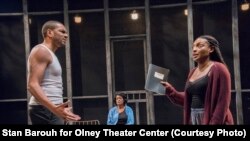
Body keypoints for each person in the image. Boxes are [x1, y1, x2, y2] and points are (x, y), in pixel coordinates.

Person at [161, 35, 234, 125]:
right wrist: (170, 90)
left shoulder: (219, 69)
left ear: (211, 49)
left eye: (200, 46)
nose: (194, 49)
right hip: (194, 118)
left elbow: (223, 102)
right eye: (193, 47)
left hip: (213, 119)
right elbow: (188, 100)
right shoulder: (193, 71)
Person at [27, 20, 81, 124]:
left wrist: (57, 108)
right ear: (50, 33)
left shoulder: (50, 54)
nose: (66, 35)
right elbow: (32, 85)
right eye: (62, 32)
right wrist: (54, 108)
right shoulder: (41, 51)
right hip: (44, 109)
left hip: (51, 109)